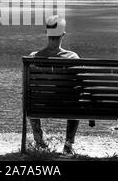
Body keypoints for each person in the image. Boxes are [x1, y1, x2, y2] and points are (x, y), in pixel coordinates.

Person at [29, 15, 80, 156]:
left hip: (38, 106)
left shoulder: (32, 58)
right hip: (65, 106)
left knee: (28, 96)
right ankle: (68, 144)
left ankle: (38, 138)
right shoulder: (72, 58)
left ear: (47, 33)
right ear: (63, 34)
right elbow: (79, 87)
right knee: (76, 100)